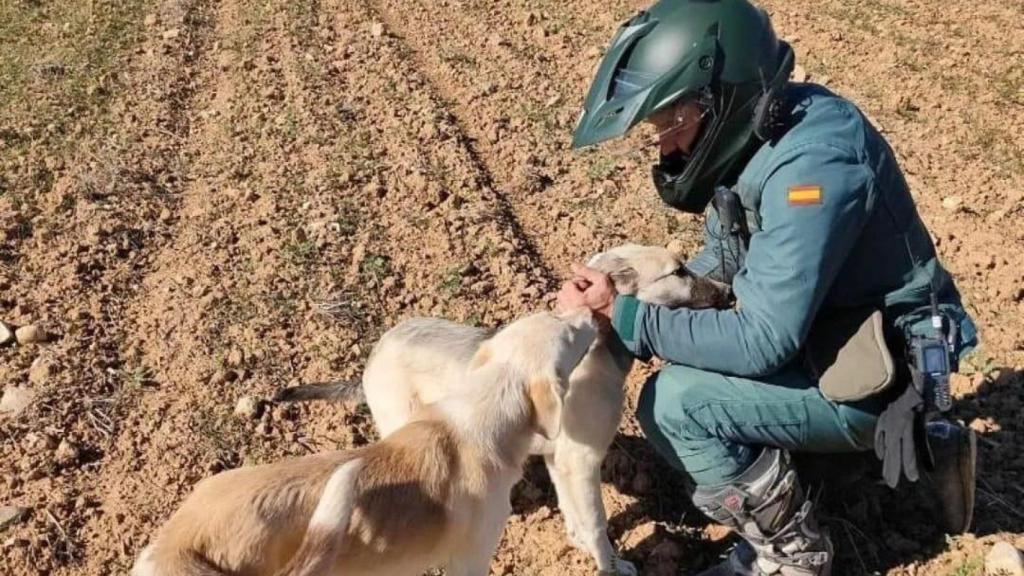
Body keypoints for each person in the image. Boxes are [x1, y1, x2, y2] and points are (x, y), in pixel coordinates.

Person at [556, 1, 979, 574]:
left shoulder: (813, 169)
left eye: (670, 124)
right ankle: (881, 460)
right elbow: (724, 258)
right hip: (833, 334)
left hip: (885, 368)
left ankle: (793, 556)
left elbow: (762, 342)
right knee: (698, 361)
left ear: (720, 97)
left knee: (676, 403)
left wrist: (631, 318)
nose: (667, 149)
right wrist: (634, 300)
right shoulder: (762, 131)